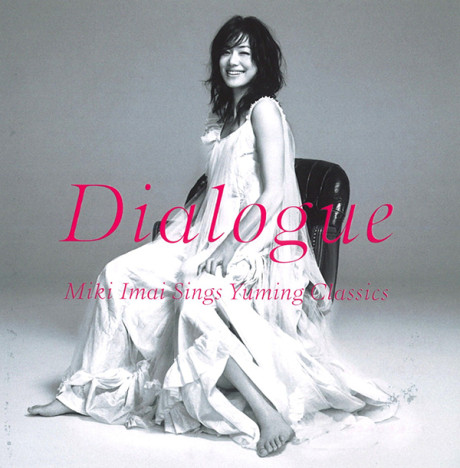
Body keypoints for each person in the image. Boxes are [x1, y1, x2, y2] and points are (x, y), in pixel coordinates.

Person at [28, 16, 396, 457]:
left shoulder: (265, 110)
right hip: (205, 237)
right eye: (226, 51)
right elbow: (216, 193)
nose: (233, 61)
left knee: (195, 296)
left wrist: (230, 244)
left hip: (254, 242)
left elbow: (273, 192)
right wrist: (180, 227)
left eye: (245, 52)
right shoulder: (225, 120)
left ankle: (266, 411)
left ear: (261, 62)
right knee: (117, 273)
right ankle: (79, 393)